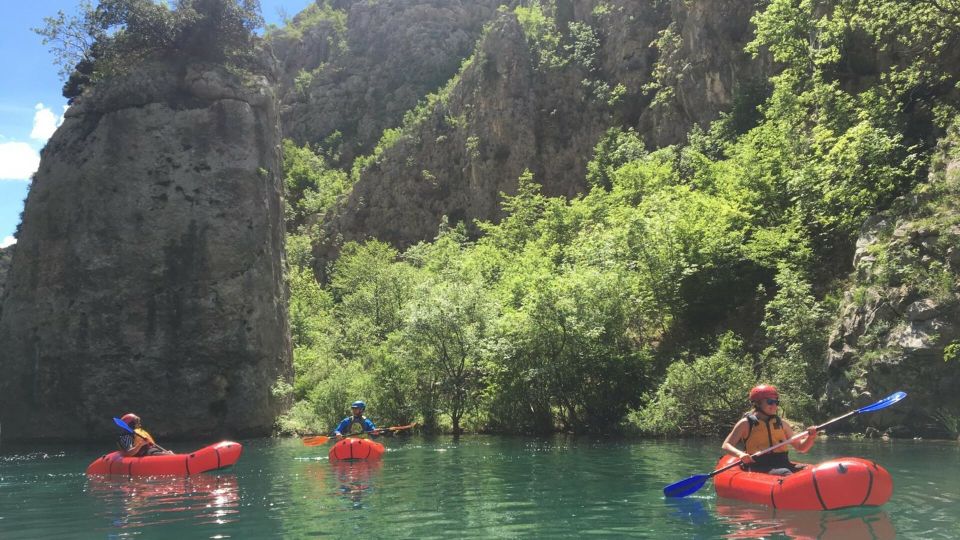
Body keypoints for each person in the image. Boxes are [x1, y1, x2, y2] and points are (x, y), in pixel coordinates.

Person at [721, 384, 817, 476]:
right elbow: (726, 445)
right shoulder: (745, 423)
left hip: (783, 462)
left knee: (811, 471)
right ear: (757, 403)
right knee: (785, 472)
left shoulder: (782, 424)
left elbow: (801, 447)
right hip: (758, 465)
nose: (774, 405)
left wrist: (811, 437)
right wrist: (740, 454)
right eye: (770, 402)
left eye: (776, 402)